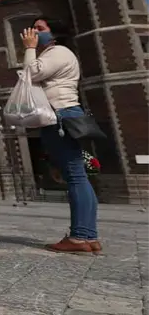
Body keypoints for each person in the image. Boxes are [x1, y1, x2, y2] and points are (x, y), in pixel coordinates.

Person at [22, 18, 100, 254]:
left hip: (60, 116)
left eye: (40, 28)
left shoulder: (58, 51)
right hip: (63, 115)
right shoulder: (57, 53)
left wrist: (29, 48)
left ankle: (78, 237)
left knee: (76, 176)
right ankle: (88, 235)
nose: (34, 32)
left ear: (53, 35)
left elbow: (31, 73)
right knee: (78, 176)